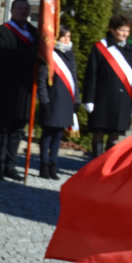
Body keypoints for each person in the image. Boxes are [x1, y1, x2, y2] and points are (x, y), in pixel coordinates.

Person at [0, 0, 37, 180]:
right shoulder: (1, 32)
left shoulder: (35, 33)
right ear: (12, 10)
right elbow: (3, 55)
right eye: (19, 8)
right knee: (3, 127)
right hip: (7, 87)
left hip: (26, 88)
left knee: (18, 128)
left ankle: (11, 165)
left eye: (26, 8)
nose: (23, 11)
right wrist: (28, 54)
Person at [83, 14, 132, 156]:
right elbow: (91, 74)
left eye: (127, 31)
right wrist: (89, 99)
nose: (125, 34)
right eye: (122, 30)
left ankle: (107, 166)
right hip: (102, 97)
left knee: (115, 134)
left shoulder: (131, 50)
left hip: (123, 99)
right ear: (112, 29)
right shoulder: (101, 48)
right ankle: (96, 163)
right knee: (98, 131)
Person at [38, 25, 79, 179]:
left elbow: (73, 79)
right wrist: (44, 100)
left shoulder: (70, 55)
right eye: (64, 37)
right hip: (52, 99)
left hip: (66, 99)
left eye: (69, 37)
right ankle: (44, 164)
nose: (68, 40)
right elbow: (42, 80)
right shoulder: (49, 55)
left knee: (58, 135)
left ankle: (54, 164)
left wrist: (77, 100)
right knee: (48, 134)